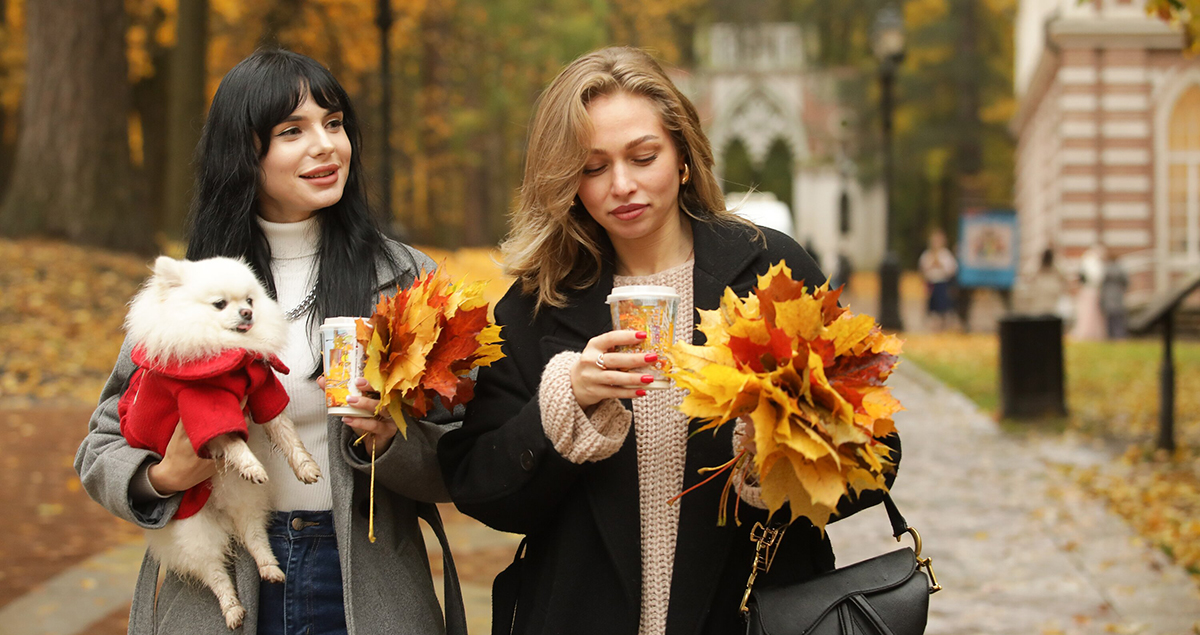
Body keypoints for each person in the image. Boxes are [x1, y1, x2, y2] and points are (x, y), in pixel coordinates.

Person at [437, 46, 899, 635]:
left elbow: (879, 458)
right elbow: (484, 490)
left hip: (753, 615)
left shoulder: (770, 273)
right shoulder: (537, 304)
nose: (622, 185)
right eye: (593, 167)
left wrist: (775, 459)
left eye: (643, 156)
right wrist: (562, 407)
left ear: (682, 154)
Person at [75, 49, 466, 635]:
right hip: (225, 576)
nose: (325, 145)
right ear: (243, 153)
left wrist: (389, 444)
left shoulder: (405, 277)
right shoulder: (199, 288)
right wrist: (162, 478)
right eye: (292, 131)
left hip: (363, 579)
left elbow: (464, 441)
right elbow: (101, 445)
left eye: (334, 124)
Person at [918, 229, 958, 331]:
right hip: (931, 282)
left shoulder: (946, 255)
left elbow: (951, 269)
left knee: (943, 304)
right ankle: (933, 323)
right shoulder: (927, 255)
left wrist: (940, 266)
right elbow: (923, 269)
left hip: (942, 282)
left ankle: (943, 323)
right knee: (931, 304)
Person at [1072, 244, 1107, 341]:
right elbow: (1095, 277)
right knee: (1088, 313)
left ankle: (1092, 333)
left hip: (1091, 291)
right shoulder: (1091, 262)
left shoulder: (1088, 261)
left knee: (1091, 313)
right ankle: (1088, 333)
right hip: (1091, 291)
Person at [1100, 247, 1129, 339]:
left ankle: (1111, 335)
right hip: (1118, 295)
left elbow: (1102, 283)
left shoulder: (1106, 269)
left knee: (1110, 318)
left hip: (1108, 295)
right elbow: (1126, 281)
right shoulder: (1121, 269)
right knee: (1118, 317)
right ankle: (1119, 335)